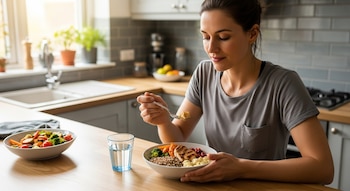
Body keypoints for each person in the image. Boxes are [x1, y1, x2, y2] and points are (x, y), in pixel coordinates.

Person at [137, 0, 334, 184]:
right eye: (205, 36)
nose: (211, 48)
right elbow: (177, 138)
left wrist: (241, 168)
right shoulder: (204, 74)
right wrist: (162, 121)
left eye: (223, 37)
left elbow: (323, 168)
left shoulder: (283, 83)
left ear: (252, 34)